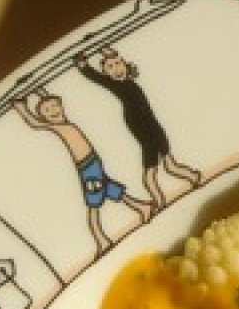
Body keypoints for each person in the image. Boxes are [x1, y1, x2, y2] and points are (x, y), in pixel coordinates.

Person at [12, 91, 152, 255]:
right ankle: (107, 233)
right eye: (47, 111)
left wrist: (39, 92)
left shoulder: (66, 122)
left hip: (92, 162)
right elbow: (34, 123)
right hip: (87, 168)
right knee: (98, 200)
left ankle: (130, 217)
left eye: (55, 106)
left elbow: (51, 100)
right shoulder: (55, 126)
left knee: (101, 197)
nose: (53, 111)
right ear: (44, 117)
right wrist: (21, 107)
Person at [75, 46, 201, 210]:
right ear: (106, 72)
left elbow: (112, 59)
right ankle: (160, 201)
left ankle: (193, 177)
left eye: (118, 63)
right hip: (141, 130)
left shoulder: (129, 81)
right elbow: (96, 78)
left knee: (170, 165)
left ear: (125, 64)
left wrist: (105, 50)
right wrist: (83, 66)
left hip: (154, 127)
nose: (116, 69)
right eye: (110, 67)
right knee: (150, 172)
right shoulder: (115, 85)